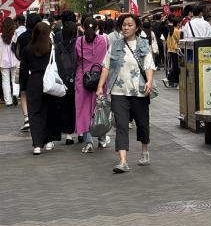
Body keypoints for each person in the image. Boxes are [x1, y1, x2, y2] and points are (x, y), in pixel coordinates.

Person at [95, 14, 156, 173]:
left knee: (142, 123)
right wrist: (100, 86)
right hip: (118, 91)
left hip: (140, 91)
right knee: (121, 125)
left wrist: (149, 81)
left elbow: (149, 65)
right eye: (123, 25)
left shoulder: (143, 44)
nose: (126, 28)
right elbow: (106, 66)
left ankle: (144, 151)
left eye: (129, 25)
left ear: (136, 27)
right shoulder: (114, 44)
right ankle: (123, 162)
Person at [20, 22, 62, 155]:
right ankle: (48, 141)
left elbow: (23, 71)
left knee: (34, 113)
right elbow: (59, 66)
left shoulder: (27, 49)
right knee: (48, 112)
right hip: (49, 82)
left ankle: (37, 144)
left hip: (34, 82)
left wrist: (23, 87)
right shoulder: (51, 48)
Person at [76, 17, 110, 152]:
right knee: (100, 109)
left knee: (83, 111)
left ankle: (88, 142)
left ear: (83, 28)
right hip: (100, 78)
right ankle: (102, 139)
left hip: (83, 78)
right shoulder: (103, 40)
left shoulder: (79, 41)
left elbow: (76, 60)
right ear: (97, 28)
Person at [16, 13, 42, 131]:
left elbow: (17, 53)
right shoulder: (43, 36)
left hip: (25, 68)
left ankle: (27, 118)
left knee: (24, 93)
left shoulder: (22, 37)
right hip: (40, 69)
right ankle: (39, 117)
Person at [55, 21, 78, 145]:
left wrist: (64, 78)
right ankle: (80, 132)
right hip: (78, 80)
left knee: (66, 107)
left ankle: (69, 135)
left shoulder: (58, 46)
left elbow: (58, 65)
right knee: (78, 106)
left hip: (64, 81)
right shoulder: (79, 44)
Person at [0, 17, 19, 107]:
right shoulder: (15, 35)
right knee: (15, 79)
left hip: (3, 61)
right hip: (14, 60)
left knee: (5, 81)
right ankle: (15, 95)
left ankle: (8, 101)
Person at [163, 17, 181, 88]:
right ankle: (168, 78)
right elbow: (179, 40)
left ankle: (175, 82)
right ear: (178, 23)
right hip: (175, 50)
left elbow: (167, 41)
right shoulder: (177, 31)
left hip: (170, 50)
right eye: (180, 23)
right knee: (176, 67)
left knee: (175, 66)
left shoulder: (171, 30)